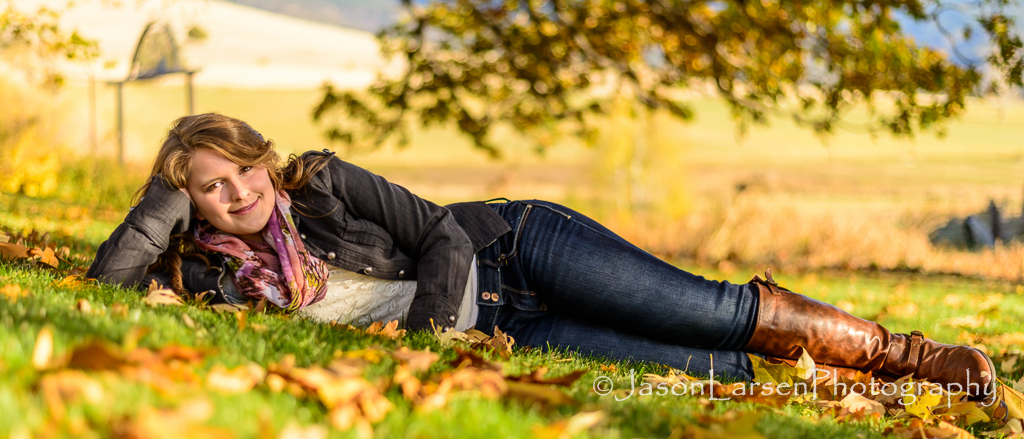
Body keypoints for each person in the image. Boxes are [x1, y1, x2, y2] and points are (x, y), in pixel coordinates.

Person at [88, 113, 1001, 406]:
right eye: (210, 188)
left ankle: (909, 358)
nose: (238, 193)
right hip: (509, 334)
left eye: (242, 169)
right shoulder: (205, 271)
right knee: (698, 370)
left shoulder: (322, 183)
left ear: (266, 161)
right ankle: (862, 392)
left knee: (710, 311)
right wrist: (169, 189)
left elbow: (443, 234)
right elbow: (108, 286)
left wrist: (425, 343)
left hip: (517, 251)